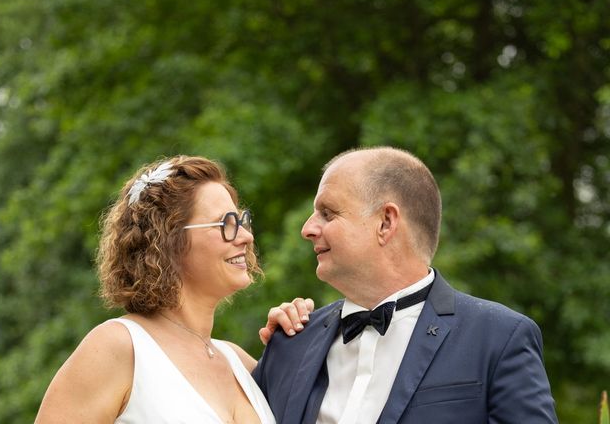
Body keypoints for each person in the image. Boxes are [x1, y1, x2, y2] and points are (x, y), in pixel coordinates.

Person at [254, 146, 558, 424]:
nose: (307, 229)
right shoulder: (290, 342)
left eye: (327, 213)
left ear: (386, 222)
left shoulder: (498, 338)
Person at [35, 155, 308, 423]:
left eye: (241, 221)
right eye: (226, 224)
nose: (246, 237)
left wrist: (292, 343)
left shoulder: (239, 362)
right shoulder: (119, 347)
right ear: (169, 241)